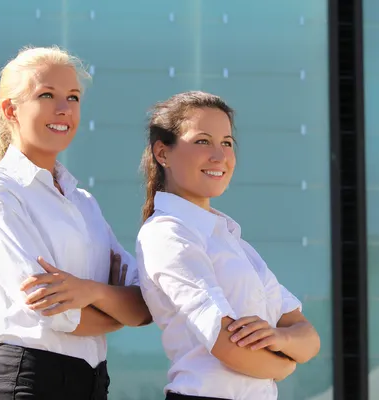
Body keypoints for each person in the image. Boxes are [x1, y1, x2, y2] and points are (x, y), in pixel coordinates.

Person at [0, 46, 151, 400]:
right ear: (11, 110)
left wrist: (92, 292)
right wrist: (115, 311)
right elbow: (53, 314)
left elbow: (144, 305)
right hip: (30, 382)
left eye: (73, 97)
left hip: (93, 384)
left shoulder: (84, 203)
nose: (64, 109)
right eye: (47, 95)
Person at [135, 91, 321, 400]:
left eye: (227, 142)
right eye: (202, 141)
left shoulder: (232, 240)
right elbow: (226, 346)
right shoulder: (168, 234)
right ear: (162, 153)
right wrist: (285, 365)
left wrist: (278, 338)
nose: (219, 156)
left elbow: (309, 338)